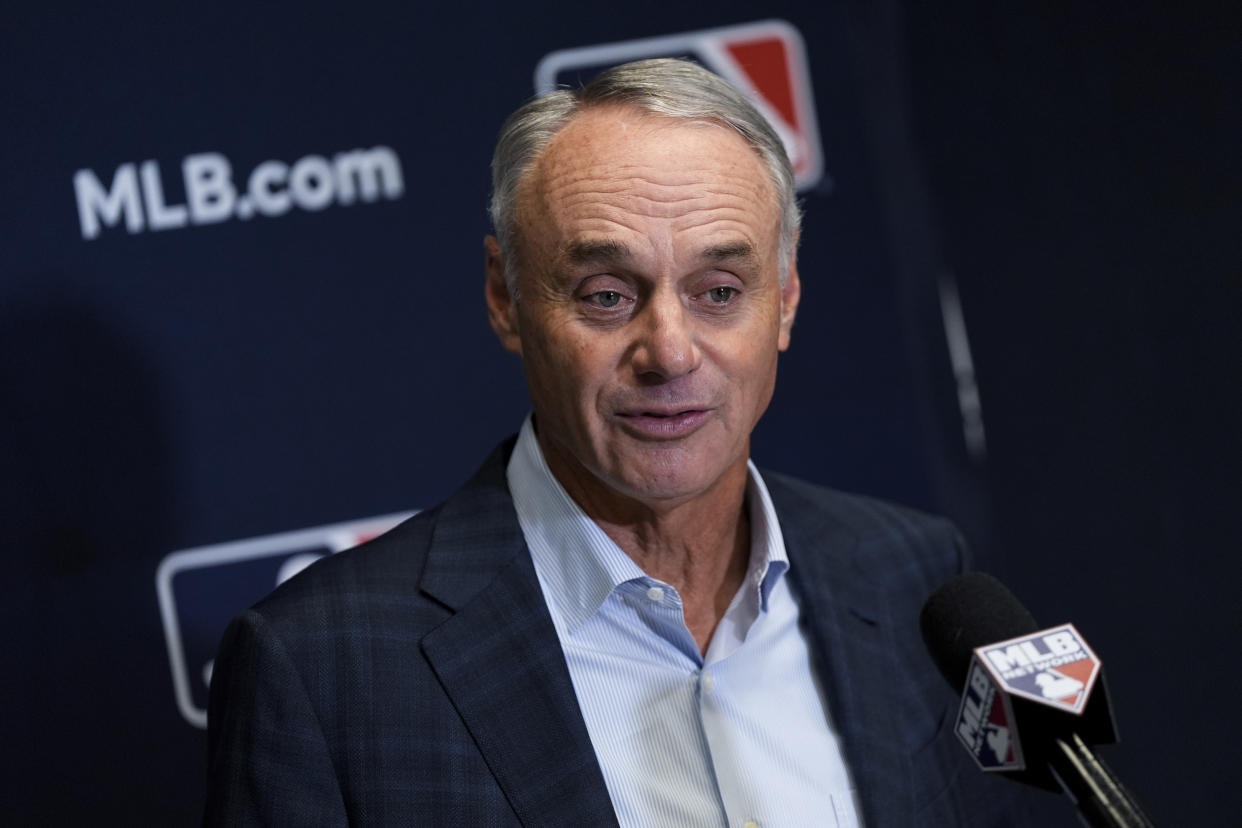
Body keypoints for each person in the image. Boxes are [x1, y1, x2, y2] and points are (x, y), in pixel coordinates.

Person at [205, 58, 1038, 826]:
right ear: (506, 297)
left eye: (719, 290)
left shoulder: (914, 578)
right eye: (606, 296)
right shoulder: (324, 669)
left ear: (784, 298)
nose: (670, 352)